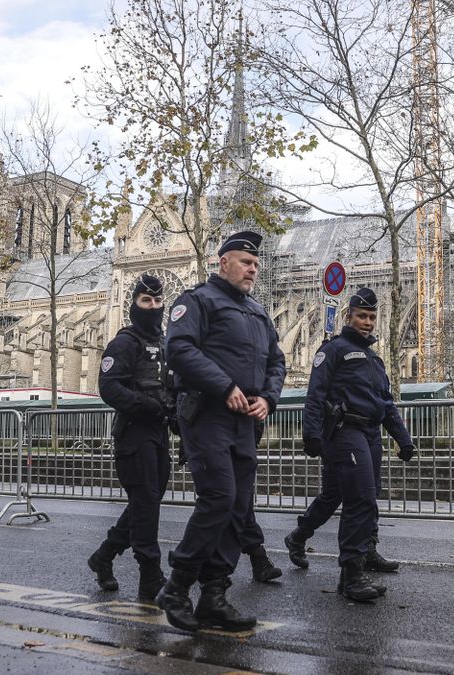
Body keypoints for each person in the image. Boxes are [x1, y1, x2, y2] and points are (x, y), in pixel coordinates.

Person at [155, 230, 286, 633]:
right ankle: (176, 588)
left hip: (245, 419)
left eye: (256, 264)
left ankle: (214, 595)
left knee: (238, 506)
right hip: (207, 413)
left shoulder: (258, 312)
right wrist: (224, 386)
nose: (253, 269)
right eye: (246, 262)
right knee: (219, 497)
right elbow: (179, 349)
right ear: (223, 261)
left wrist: (269, 397)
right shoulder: (197, 300)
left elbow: (277, 361)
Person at [287, 287, 416, 602]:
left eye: (372, 317)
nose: (367, 322)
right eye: (361, 316)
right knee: (361, 499)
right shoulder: (333, 350)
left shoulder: (374, 359)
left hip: (370, 434)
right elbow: (315, 395)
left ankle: (305, 538)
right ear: (348, 317)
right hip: (344, 433)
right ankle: (352, 573)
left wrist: (403, 439)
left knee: (337, 496)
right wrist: (311, 434)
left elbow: (386, 404)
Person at [86, 275, 174, 604]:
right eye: (145, 301)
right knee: (146, 504)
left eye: (157, 301)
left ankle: (104, 555)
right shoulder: (124, 343)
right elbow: (109, 387)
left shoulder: (164, 342)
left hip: (159, 432)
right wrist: (144, 405)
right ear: (134, 304)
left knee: (145, 503)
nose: (153, 306)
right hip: (134, 434)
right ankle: (150, 576)